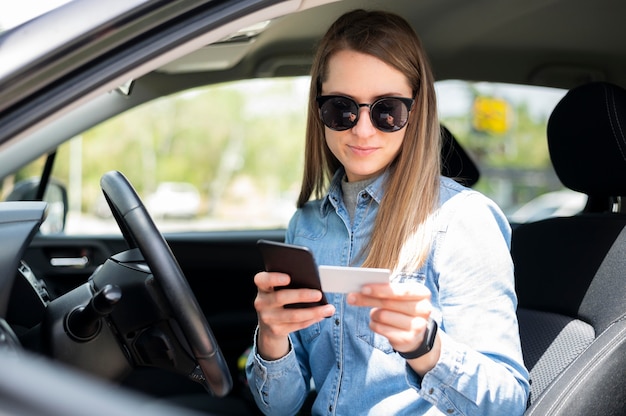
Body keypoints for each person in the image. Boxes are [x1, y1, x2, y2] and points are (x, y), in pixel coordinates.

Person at [246, 9, 530, 416]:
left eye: (387, 111)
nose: (362, 130)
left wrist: (426, 347)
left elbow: (508, 401)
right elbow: (281, 407)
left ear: (413, 114)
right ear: (319, 110)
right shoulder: (306, 226)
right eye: (342, 109)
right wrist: (272, 340)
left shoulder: (461, 220)